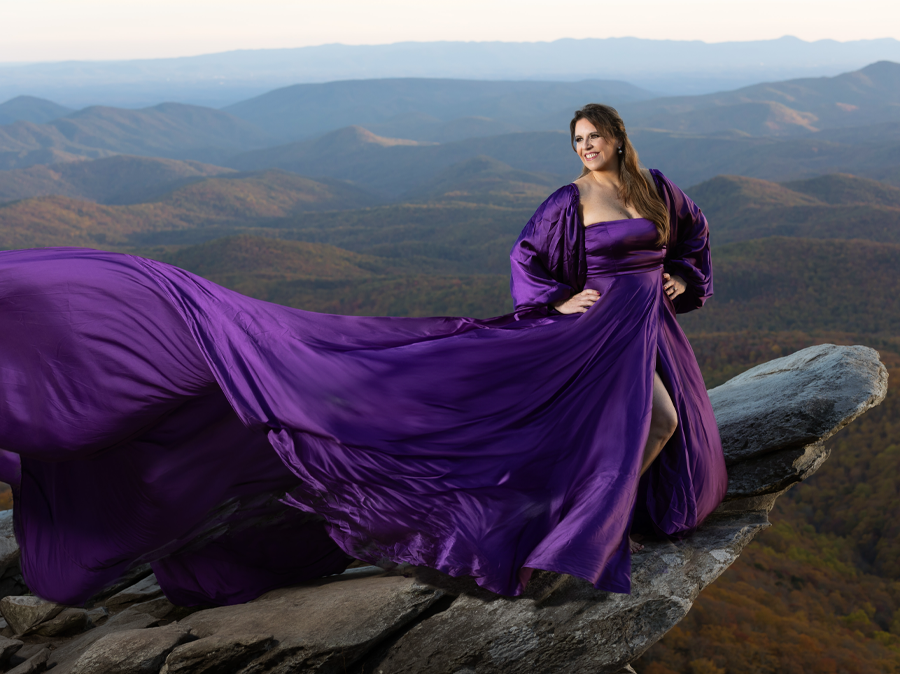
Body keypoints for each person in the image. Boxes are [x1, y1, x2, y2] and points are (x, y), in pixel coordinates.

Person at [0, 104, 727, 608]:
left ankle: (590, 518)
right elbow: (530, 258)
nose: (585, 148)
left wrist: (682, 275)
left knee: (653, 424)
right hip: (593, 334)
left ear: (619, 139)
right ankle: (579, 532)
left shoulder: (658, 189)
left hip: (648, 327)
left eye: (594, 138)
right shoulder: (568, 201)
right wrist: (554, 303)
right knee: (635, 422)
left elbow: (692, 239)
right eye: (577, 140)